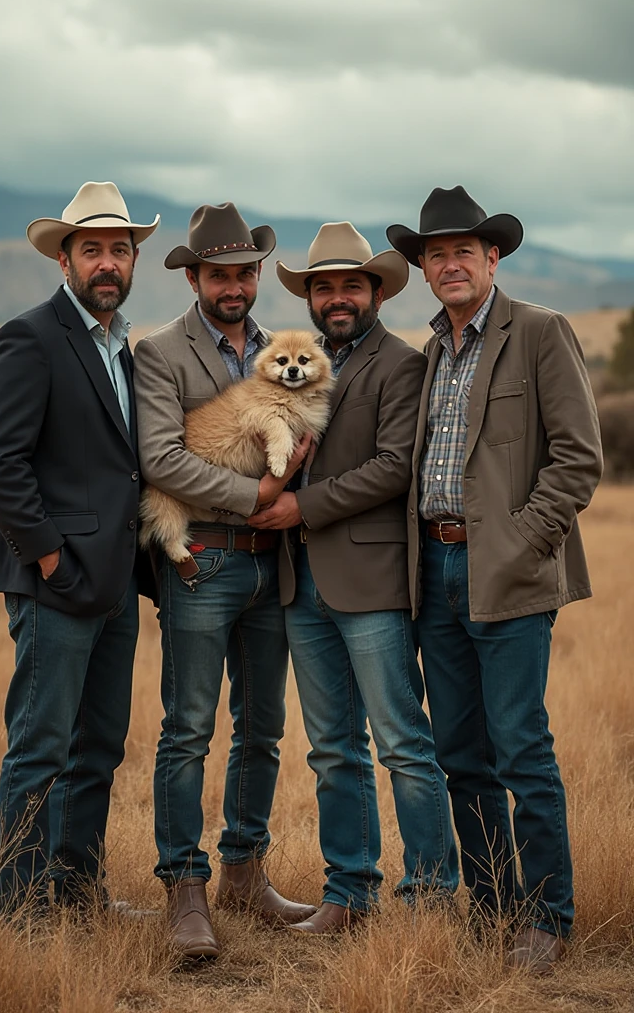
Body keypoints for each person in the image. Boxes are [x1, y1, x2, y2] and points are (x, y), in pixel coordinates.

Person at [386, 186, 603, 972]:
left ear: (492, 257)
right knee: (460, 752)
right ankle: (491, 907)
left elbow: (579, 459)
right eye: (435, 255)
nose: (449, 265)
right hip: (434, 567)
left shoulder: (540, 332)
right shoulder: (432, 350)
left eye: (463, 252)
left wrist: (519, 546)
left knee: (519, 747)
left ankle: (548, 916)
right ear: (423, 268)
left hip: (507, 573)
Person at [249, 222, 459, 933]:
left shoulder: (401, 365)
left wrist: (301, 504)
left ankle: (429, 898)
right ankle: (349, 895)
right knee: (333, 748)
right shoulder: (289, 362)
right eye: (323, 287)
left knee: (402, 741)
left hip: (369, 580)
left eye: (350, 285)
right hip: (297, 584)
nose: (337, 298)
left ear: (375, 292)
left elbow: (394, 466)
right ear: (308, 298)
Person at [133, 203, 315, 961]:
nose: (233, 285)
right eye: (218, 274)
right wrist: (261, 497)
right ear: (195, 277)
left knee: (264, 729)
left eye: (244, 272)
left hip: (271, 567)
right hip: (202, 558)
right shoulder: (160, 353)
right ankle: (184, 890)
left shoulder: (285, 351)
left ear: (259, 274)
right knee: (187, 729)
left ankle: (245, 870)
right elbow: (161, 460)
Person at [0, 181, 160, 916]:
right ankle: (18, 910)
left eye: (120, 249)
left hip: (114, 584)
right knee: (40, 748)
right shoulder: (32, 337)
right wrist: (50, 558)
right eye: (92, 250)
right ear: (64, 259)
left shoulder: (126, 352)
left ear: (133, 259)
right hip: (55, 582)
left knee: (98, 749)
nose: (107, 263)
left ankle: (78, 893)